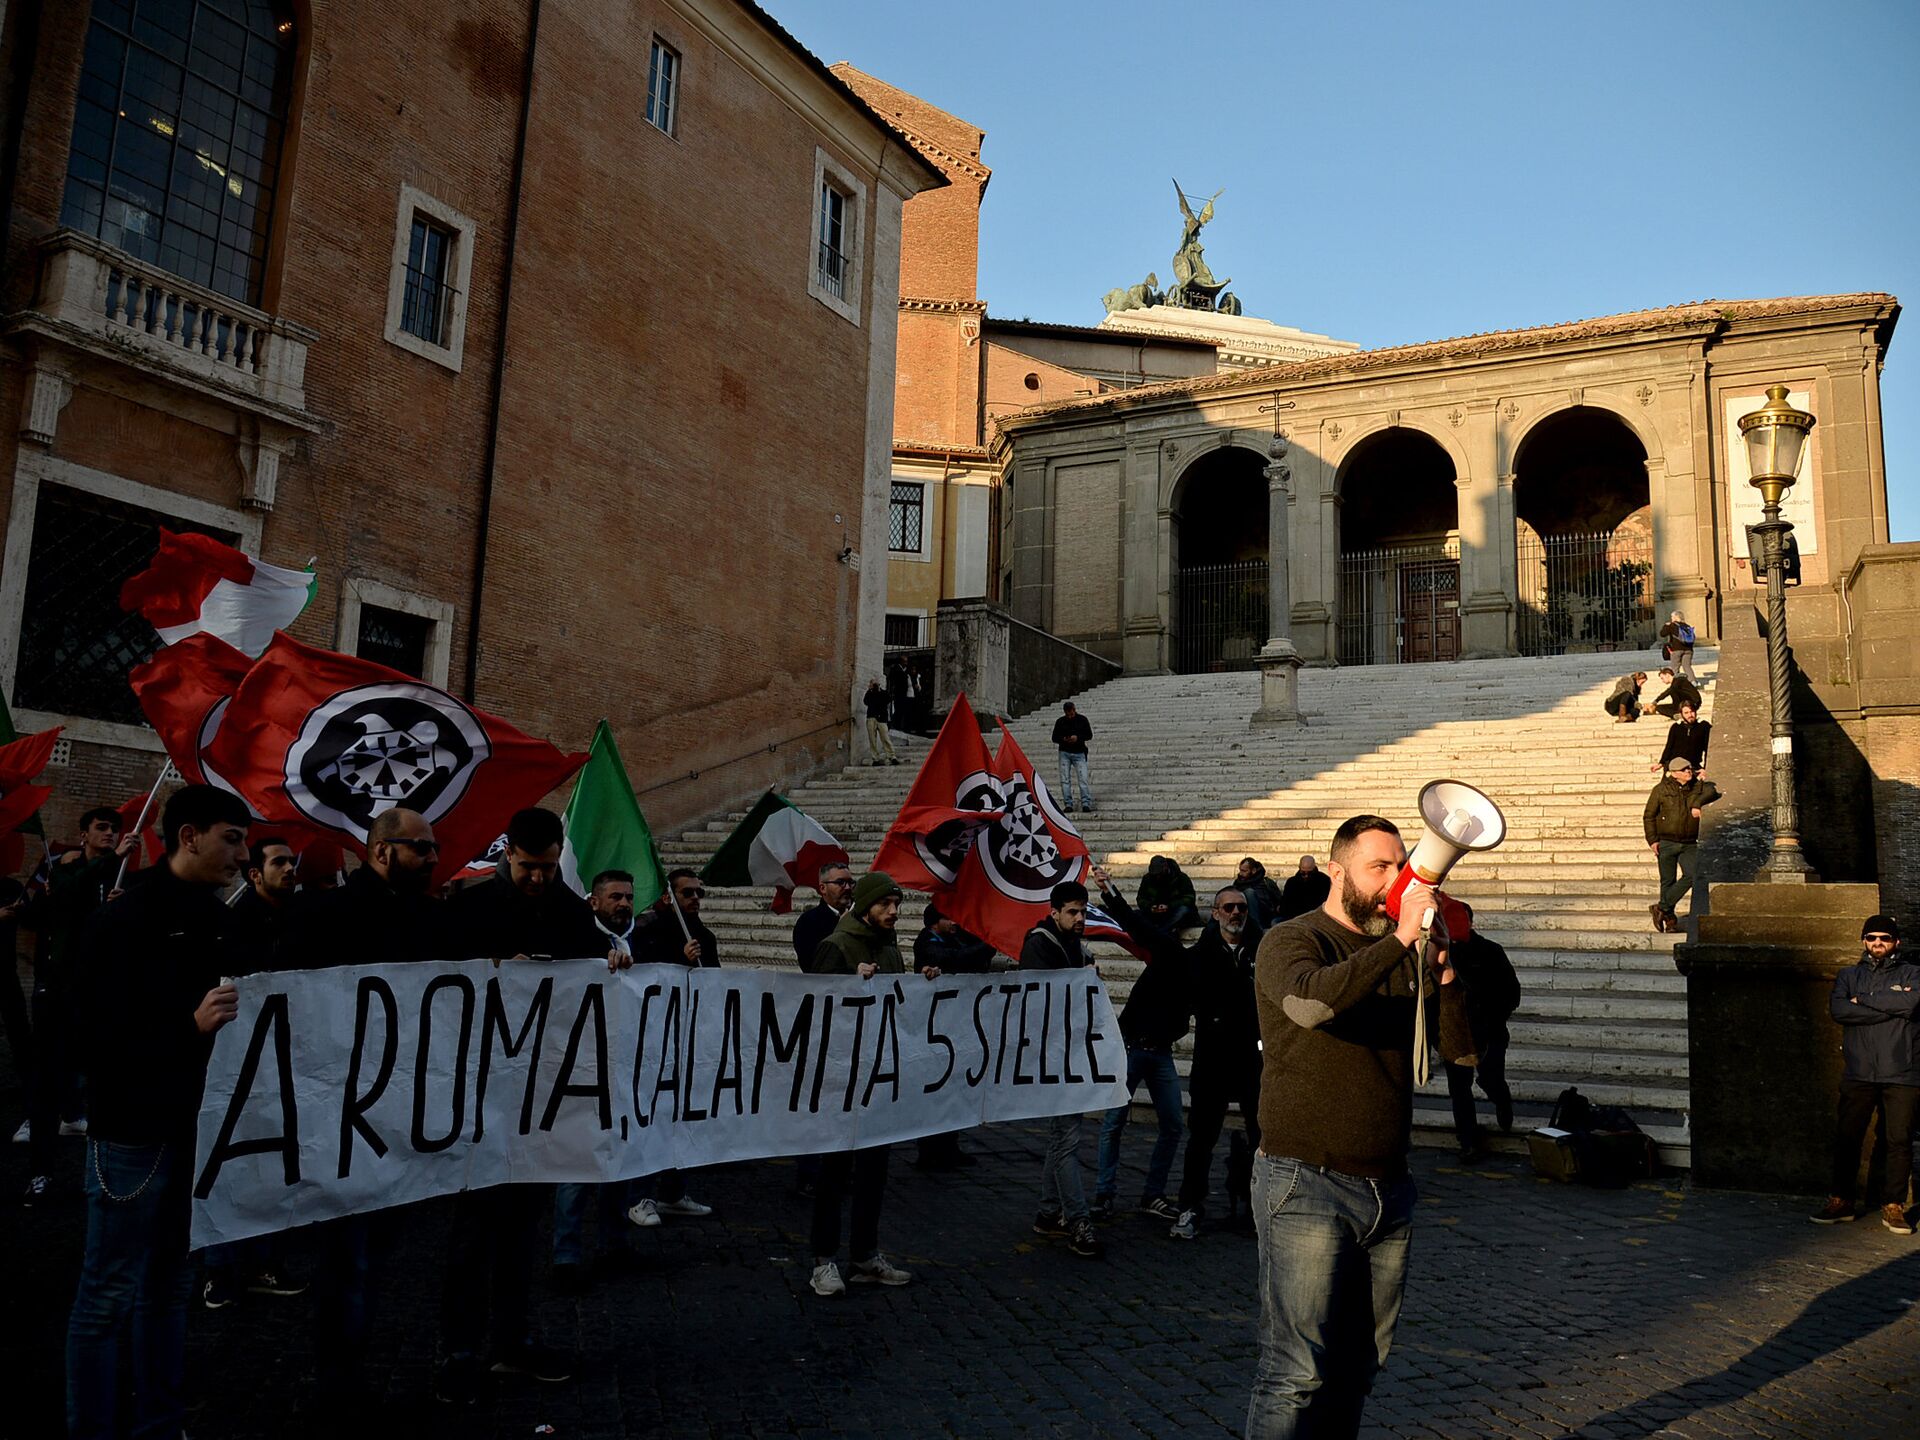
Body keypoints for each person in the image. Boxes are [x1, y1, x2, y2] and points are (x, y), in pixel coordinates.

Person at [1246, 814, 1474, 1438]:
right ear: (1336, 869)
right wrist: (1399, 941)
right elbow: (1312, 1004)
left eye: (1402, 865)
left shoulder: (1397, 948)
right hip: (1305, 1182)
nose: (1397, 879)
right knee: (1295, 1375)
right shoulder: (1292, 939)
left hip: (1387, 1190)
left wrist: (1445, 971)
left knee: (1356, 1370)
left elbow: (1459, 1056)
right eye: (1381, 867)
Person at [64, 784, 251, 1440]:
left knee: (168, 1287)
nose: (242, 854)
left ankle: (159, 1422)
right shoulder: (123, 920)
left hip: (192, 1129)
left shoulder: (220, 920)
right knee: (108, 1294)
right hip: (131, 1135)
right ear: (190, 835)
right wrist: (187, 1027)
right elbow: (90, 1036)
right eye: (232, 838)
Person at [435, 806, 624, 1405]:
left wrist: (613, 961)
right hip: (480, 1096)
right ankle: (459, 1353)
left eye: (547, 868)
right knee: (471, 1238)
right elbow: (431, 985)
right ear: (507, 856)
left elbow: (595, 967)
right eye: (528, 868)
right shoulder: (467, 908)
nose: (539, 879)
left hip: (540, 1099)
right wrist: (492, 973)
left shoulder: (568, 909)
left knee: (521, 1234)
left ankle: (511, 1342)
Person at [273, 806, 447, 1411]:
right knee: (348, 1253)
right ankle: (338, 1379)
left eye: (434, 848)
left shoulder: (432, 917)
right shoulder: (319, 916)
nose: (432, 858)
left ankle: (348, 1365)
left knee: (373, 1251)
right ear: (380, 851)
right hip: (338, 1112)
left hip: (400, 1112)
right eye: (421, 848)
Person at [806, 871, 931, 1294]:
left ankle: (863, 1255)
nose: (893, 912)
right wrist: (846, 986)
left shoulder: (890, 948)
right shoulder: (835, 946)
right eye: (885, 905)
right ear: (864, 907)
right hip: (841, 1082)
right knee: (834, 1174)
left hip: (880, 1077)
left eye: (897, 905)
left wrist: (924, 983)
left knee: (874, 1172)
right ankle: (823, 1260)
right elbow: (816, 1011)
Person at [20, 805, 136, 1204]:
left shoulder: (123, 879)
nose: (110, 834)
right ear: (83, 834)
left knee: (104, 1084)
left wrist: (124, 907)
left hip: (100, 997)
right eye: (102, 828)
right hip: (57, 994)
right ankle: (40, 1172)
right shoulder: (64, 872)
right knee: (46, 1086)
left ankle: (102, 1175)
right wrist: (111, 864)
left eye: (114, 829)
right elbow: (66, 897)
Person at [552, 870, 644, 1288]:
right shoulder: (574, 938)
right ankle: (566, 1255)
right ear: (594, 902)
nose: (623, 904)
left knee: (620, 1164)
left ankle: (615, 1244)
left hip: (628, 1071)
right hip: (583, 1071)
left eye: (628, 897)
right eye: (614, 897)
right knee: (576, 1166)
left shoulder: (647, 939)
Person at [1087, 868, 1189, 1223]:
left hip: (1160, 1052)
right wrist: (1110, 890)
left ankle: (1153, 1194)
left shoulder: (1200, 971)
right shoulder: (1170, 952)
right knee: (1114, 1122)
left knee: (1173, 1123)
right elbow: (1135, 923)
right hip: (1132, 1048)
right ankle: (1103, 1192)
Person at [1811, 916, 1918, 1234]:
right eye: (1871, 937)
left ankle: (1893, 1205)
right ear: (1863, 941)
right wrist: (1890, 1006)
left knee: (1898, 1140)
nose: (1877, 943)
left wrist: (1865, 1001)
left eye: (1884, 937)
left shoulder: (1914, 974)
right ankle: (1841, 1200)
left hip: (1903, 1071)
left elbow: (1912, 1002)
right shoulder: (1848, 975)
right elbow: (1840, 1010)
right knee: (1848, 1138)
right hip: (1859, 1070)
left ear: (1896, 941)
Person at [1171, 887, 1266, 1239]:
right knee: (1201, 1140)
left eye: (1241, 906)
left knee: (1262, 1138)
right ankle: (1190, 1207)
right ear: (1215, 913)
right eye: (1228, 907)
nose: (1236, 912)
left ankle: (1260, 1210)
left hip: (1251, 1061)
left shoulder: (1261, 951)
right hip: (1212, 1061)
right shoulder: (1198, 956)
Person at [628, 868, 719, 1224]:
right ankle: (642, 1195)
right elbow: (644, 980)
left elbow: (714, 980)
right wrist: (679, 958)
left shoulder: (704, 935)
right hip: (654, 1039)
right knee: (653, 1116)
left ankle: (673, 1191)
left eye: (699, 893)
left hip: (689, 1035)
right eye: (688, 893)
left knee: (683, 1117)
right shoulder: (648, 932)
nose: (695, 898)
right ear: (669, 897)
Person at [1020, 880, 1104, 1259]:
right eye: (1072, 912)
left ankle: (1048, 1211)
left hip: (1069, 1051)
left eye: (1083, 911)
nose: (1080, 918)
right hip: (1053, 1055)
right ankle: (1078, 1217)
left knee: (1062, 1138)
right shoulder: (1040, 944)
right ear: (1054, 912)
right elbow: (1039, 998)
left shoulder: (1073, 945)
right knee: (1067, 1140)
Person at [911, 901, 994, 1170]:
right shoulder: (927, 942)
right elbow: (958, 960)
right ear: (936, 922)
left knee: (953, 1091)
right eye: (950, 918)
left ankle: (949, 1146)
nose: (956, 923)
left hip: (954, 1024)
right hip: (934, 1028)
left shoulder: (953, 938)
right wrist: (992, 942)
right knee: (934, 1093)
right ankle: (929, 1152)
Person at [1442, 903, 1520, 1161]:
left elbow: (1511, 991)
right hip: (1456, 1033)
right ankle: (1468, 1142)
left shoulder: (1490, 951)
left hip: (1489, 1029)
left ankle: (1502, 1101)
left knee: (1490, 1078)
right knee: (1459, 1089)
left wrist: (1494, 1017)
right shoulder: (1442, 953)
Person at [1642, 758, 1720, 933]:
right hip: (1666, 842)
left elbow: (1712, 791)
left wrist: (1698, 796)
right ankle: (1669, 920)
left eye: (1689, 768)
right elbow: (1649, 816)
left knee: (1692, 875)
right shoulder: (1661, 790)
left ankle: (1661, 907)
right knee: (1667, 882)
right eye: (1684, 770)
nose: (1688, 772)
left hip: (1689, 843)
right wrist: (1653, 840)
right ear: (1674, 773)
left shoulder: (1696, 786)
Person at [226, 835, 298, 960]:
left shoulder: (304, 913)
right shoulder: (238, 924)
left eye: (292, 862)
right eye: (279, 862)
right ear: (255, 875)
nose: (290, 868)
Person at [792, 861, 853, 972]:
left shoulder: (861, 916)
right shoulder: (808, 922)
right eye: (840, 882)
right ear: (823, 888)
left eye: (850, 882)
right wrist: (841, 928)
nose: (848, 888)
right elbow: (812, 966)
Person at [1136, 854, 1197, 937]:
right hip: (1156, 913)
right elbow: (1141, 898)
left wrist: (1169, 906)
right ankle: (1159, 930)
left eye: (1159, 873)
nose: (1157, 877)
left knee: (1184, 910)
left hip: (1173, 911)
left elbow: (1189, 898)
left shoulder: (1181, 878)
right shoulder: (1147, 879)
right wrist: (1151, 907)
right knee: (1136, 914)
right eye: (1155, 875)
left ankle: (1160, 931)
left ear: (1166, 867)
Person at [1052, 700, 1095, 813]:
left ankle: (1085, 803)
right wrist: (1064, 739)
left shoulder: (1082, 720)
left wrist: (1078, 738)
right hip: (1065, 752)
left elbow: (1089, 735)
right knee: (1065, 779)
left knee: (1083, 779)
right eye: (1068, 714)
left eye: (1071, 713)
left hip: (1079, 752)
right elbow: (1054, 737)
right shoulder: (1060, 721)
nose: (1070, 716)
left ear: (1074, 710)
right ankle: (1068, 803)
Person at [1654, 700, 1712, 776]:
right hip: (1674, 766)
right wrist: (1661, 763)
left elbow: (1708, 748)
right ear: (1681, 714)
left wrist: (1705, 768)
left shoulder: (1703, 726)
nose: (1690, 715)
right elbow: (1669, 747)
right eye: (1686, 713)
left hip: (1692, 766)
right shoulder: (1676, 727)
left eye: (1692, 712)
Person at [1278, 855, 1331, 923]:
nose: (1306, 876)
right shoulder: (1292, 882)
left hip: (1315, 919)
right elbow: (1285, 903)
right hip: (1293, 918)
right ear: (1299, 868)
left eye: (1310, 873)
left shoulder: (1324, 881)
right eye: (1303, 873)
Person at [1237, 857, 1284, 930]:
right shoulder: (1238, 884)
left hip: (1267, 917)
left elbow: (1279, 901)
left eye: (1244, 871)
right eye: (1240, 870)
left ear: (1253, 870)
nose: (1241, 874)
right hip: (1247, 919)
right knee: (1249, 893)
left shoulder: (1266, 882)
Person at [863, 678, 899, 766]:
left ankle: (892, 756)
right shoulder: (869, 693)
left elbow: (888, 699)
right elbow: (866, 702)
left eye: (876, 684)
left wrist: (878, 690)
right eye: (873, 684)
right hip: (871, 717)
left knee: (885, 738)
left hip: (882, 718)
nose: (874, 686)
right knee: (872, 739)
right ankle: (875, 758)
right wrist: (869, 690)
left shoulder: (884, 693)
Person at [1660, 610, 1698, 682]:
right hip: (1688, 650)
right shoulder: (1687, 626)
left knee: (1675, 667)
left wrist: (1666, 625)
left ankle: (1676, 683)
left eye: (1672, 616)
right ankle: (1693, 682)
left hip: (1676, 649)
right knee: (1687, 666)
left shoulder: (1672, 625)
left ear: (1676, 617)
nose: (1671, 618)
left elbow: (1662, 634)